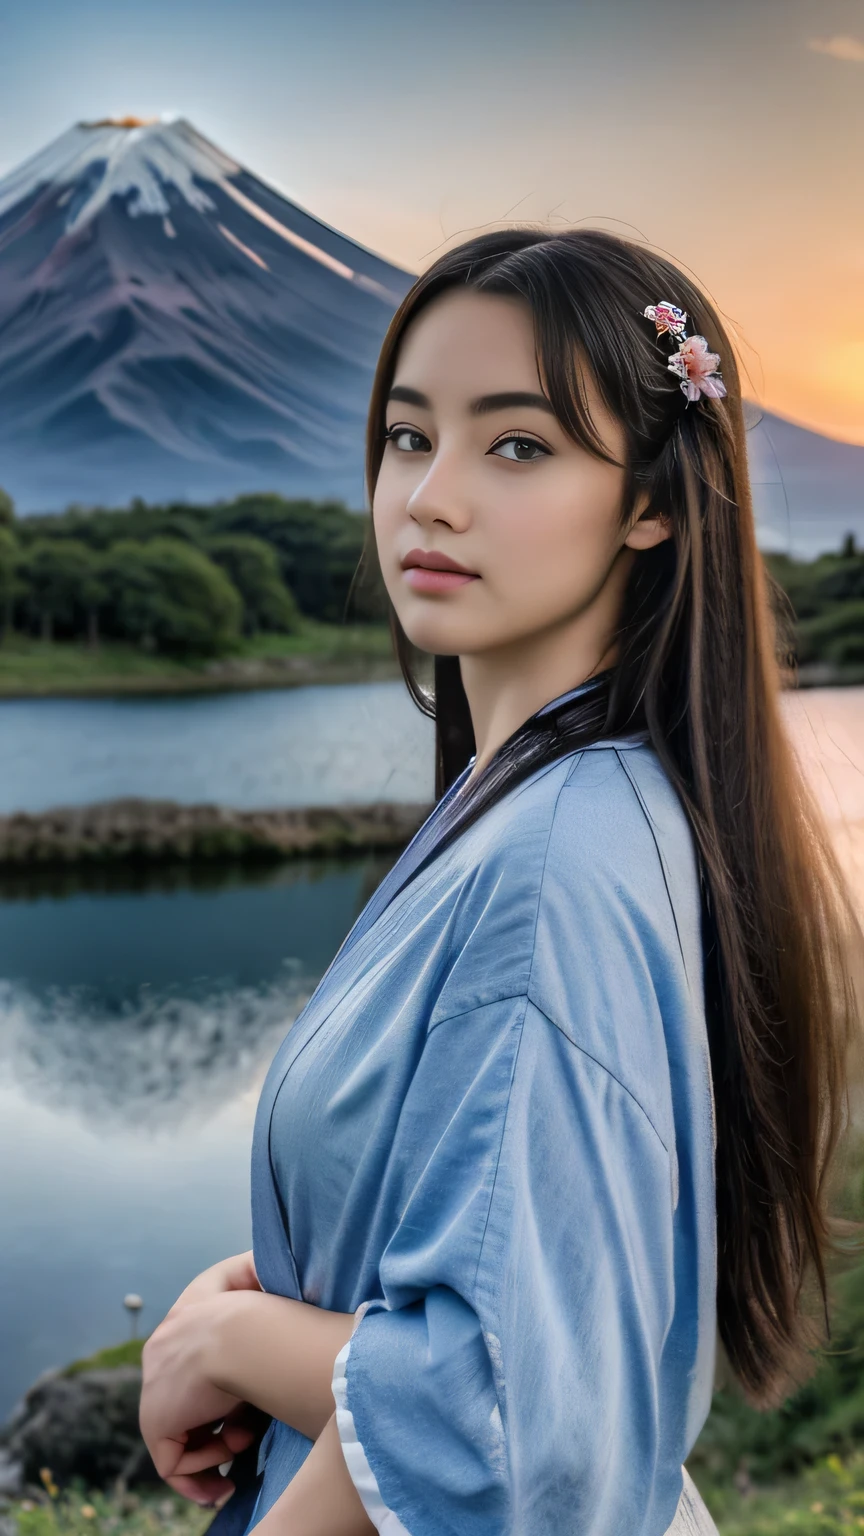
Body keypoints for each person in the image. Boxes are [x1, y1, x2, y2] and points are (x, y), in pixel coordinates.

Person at [138, 229, 864, 1536]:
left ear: (652, 502)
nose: (431, 496)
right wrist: (250, 1311)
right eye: (410, 437)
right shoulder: (551, 797)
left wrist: (236, 1347)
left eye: (516, 446)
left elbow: (502, 1414)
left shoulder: (555, 861)